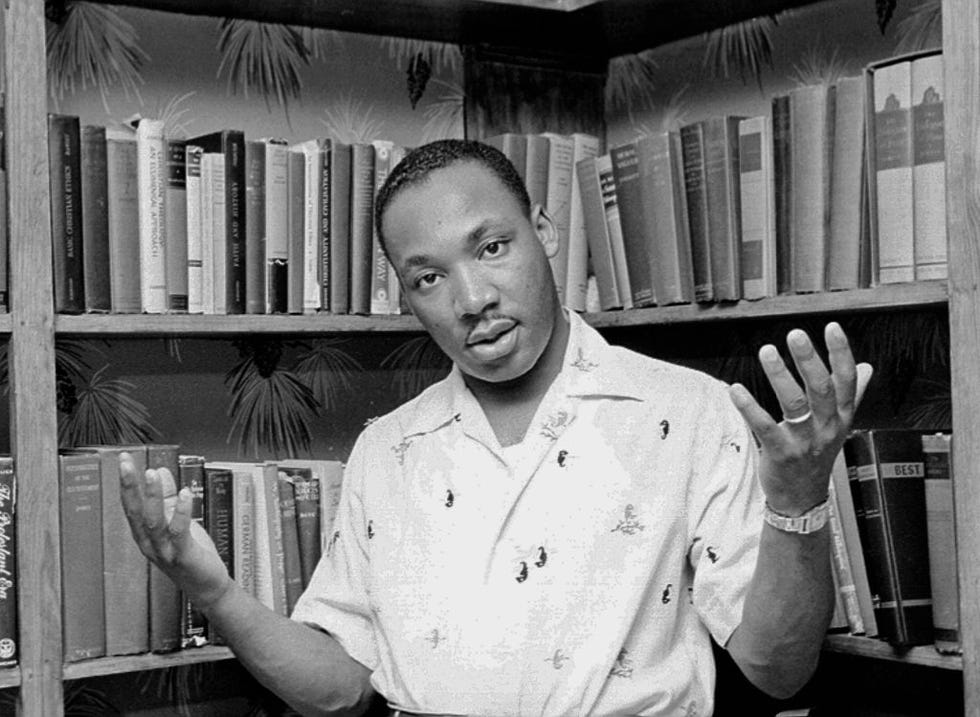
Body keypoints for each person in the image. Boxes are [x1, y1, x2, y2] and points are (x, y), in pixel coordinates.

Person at [119, 139, 872, 717]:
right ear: (407, 296)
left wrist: (797, 501)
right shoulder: (389, 449)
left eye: (491, 246)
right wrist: (214, 592)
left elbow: (779, 666)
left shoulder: (690, 410)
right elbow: (343, 689)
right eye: (429, 276)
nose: (472, 298)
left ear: (541, 228)